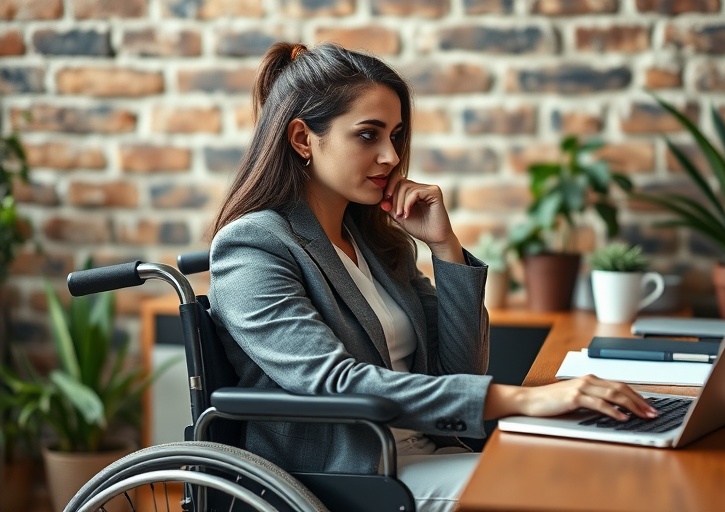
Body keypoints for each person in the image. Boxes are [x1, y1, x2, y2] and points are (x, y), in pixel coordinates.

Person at [208, 41, 659, 512]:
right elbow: (335, 383)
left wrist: (444, 247)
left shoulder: (375, 243)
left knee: (606, 459)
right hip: (351, 477)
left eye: (396, 136)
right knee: (574, 487)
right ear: (303, 139)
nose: (390, 156)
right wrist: (523, 401)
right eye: (368, 135)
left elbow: (461, 371)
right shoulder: (254, 245)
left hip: (428, 456)